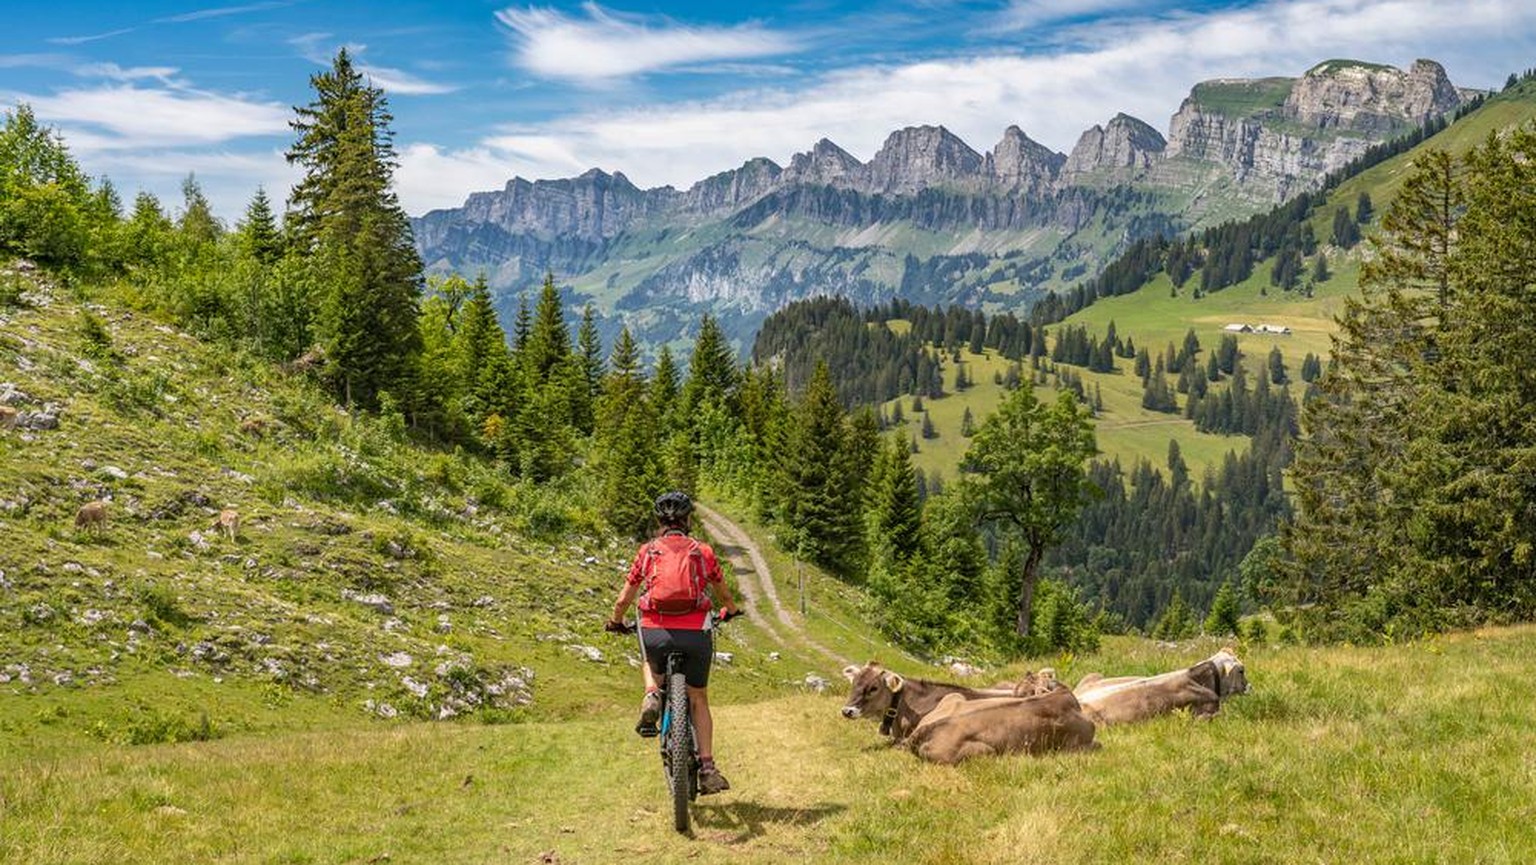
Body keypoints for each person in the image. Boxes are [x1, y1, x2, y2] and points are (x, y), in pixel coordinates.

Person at [606, 491, 740, 795]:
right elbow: (725, 594)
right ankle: (707, 769)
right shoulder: (701, 551)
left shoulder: (648, 551)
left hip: (655, 631)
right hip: (695, 633)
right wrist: (730, 612)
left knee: (649, 659)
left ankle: (652, 693)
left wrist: (616, 621)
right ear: (687, 520)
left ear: (659, 522)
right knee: (698, 698)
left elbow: (624, 597)